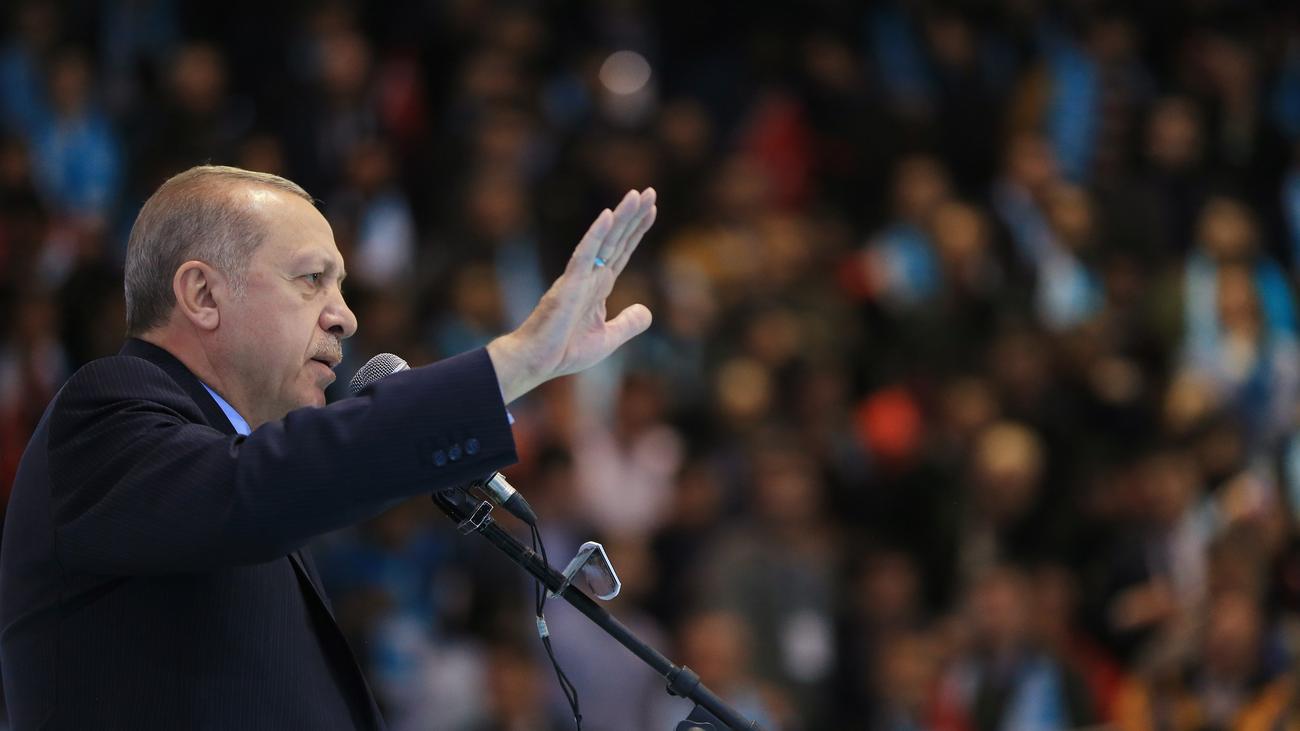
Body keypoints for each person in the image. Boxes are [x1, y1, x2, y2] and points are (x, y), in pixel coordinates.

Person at [0, 165, 657, 730]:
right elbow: (262, 486)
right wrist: (513, 363)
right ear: (202, 295)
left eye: (340, 284)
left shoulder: (239, 458)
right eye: (311, 279)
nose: (345, 316)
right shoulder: (105, 412)